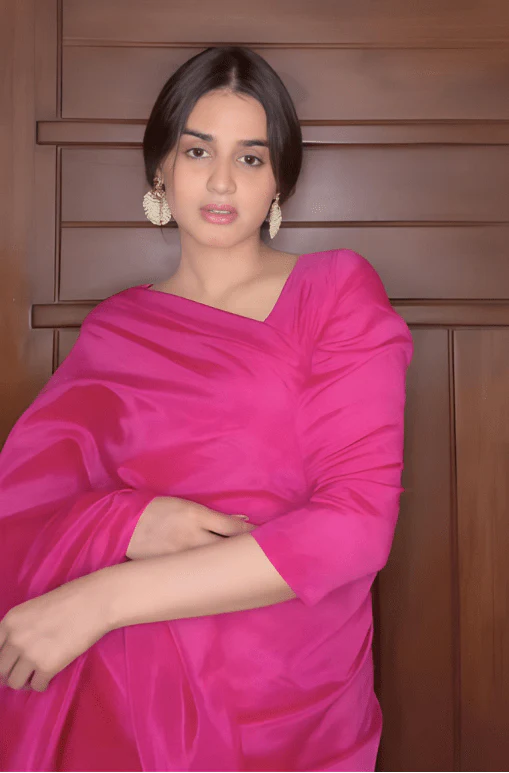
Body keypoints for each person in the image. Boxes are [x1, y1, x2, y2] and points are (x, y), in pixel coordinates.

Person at [0, 46, 413, 772]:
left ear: (279, 179)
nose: (222, 181)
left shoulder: (334, 293)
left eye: (251, 158)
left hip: (286, 691)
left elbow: (355, 528)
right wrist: (130, 521)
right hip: (125, 698)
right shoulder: (116, 328)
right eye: (197, 150)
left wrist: (102, 598)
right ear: (160, 167)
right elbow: (23, 508)